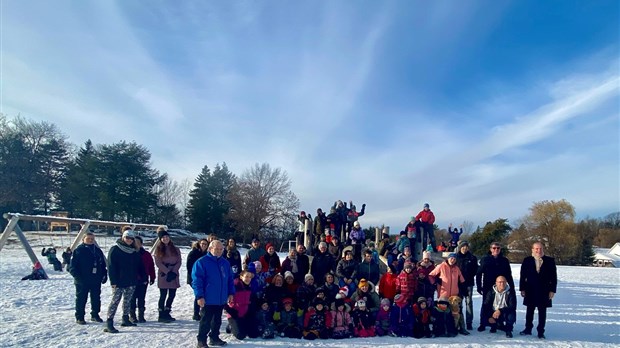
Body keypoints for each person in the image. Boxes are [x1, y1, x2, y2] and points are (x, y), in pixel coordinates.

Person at [193, 240, 235, 348]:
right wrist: (200, 296)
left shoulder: (225, 263)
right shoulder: (202, 262)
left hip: (221, 298)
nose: (219, 251)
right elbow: (197, 281)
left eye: (221, 249)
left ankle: (214, 337)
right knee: (205, 320)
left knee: (217, 320)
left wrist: (231, 293)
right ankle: (201, 340)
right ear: (210, 249)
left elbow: (230, 279)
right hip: (208, 298)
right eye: (216, 249)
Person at [104, 228, 141, 333]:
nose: (129, 240)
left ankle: (125, 318)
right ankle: (109, 322)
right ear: (123, 237)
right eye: (127, 238)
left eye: (131, 238)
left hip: (131, 280)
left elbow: (137, 266)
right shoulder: (115, 249)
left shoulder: (134, 251)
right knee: (115, 301)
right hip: (119, 281)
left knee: (127, 300)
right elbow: (111, 266)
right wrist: (113, 281)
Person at [519, 242, 557, 339]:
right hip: (530, 290)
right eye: (536, 249)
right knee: (529, 311)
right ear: (532, 250)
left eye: (540, 248)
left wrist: (552, 290)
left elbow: (553, 277)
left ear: (543, 249)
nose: (538, 251)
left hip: (544, 290)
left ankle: (541, 331)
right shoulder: (527, 260)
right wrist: (522, 289)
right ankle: (528, 329)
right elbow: (523, 276)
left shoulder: (550, 261)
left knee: (542, 312)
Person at [476, 242, 514, 332]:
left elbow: (509, 275)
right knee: (486, 305)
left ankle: (498, 323)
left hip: (501, 286)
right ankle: (483, 323)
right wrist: (479, 286)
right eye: (494, 248)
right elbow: (479, 274)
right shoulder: (485, 259)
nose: (496, 250)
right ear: (490, 249)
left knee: (501, 304)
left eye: (498, 248)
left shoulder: (504, 260)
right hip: (488, 286)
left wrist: (511, 286)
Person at [69, 232, 106, 324]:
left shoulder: (97, 250)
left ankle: (95, 314)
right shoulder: (78, 250)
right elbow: (72, 267)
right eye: (88, 238)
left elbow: (102, 264)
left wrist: (104, 274)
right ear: (83, 239)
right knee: (81, 298)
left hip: (95, 279)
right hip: (82, 279)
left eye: (92, 239)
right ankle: (80, 317)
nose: (90, 240)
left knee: (96, 298)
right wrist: (77, 277)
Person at [154, 229, 181, 323]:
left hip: (174, 273)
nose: (165, 239)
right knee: (163, 295)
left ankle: (167, 311)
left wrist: (174, 271)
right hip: (164, 274)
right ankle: (161, 314)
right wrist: (167, 272)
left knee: (172, 294)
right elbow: (158, 263)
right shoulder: (158, 250)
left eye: (167, 237)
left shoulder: (175, 249)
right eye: (163, 237)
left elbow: (179, 261)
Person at [131, 236, 155, 323]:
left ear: (141, 244)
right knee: (132, 298)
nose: (136, 244)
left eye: (138, 242)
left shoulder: (146, 254)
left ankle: (141, 315)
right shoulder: (130, 253)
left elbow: (151, 266)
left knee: (141, 298)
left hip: (143, 279)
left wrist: (152, 276)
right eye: (135, 242)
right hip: (132, 279)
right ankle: (132, 315)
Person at [455, 240, 478, 331]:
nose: (464, 248)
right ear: (460, 247)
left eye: (466, 247)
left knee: (469, 303)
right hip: (458, 283)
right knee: (458, 303)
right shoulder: (456, 257)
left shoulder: (472, 258)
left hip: (468, 283)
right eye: (463, 247)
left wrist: (469, 276)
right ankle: (460, 321)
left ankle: (469, 322)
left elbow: (475, 269)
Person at [187, 239, 209, 321]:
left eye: (205, 244)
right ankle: (196, 313)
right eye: (202, 244)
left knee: (203, 294)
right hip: (194, 278)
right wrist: (193, 277)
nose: (203, 245)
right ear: (199, 244)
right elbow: (189, 266)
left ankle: (202, 311)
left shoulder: (207, 254)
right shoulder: (193, 253)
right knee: (198, 294)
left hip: (204, 278)